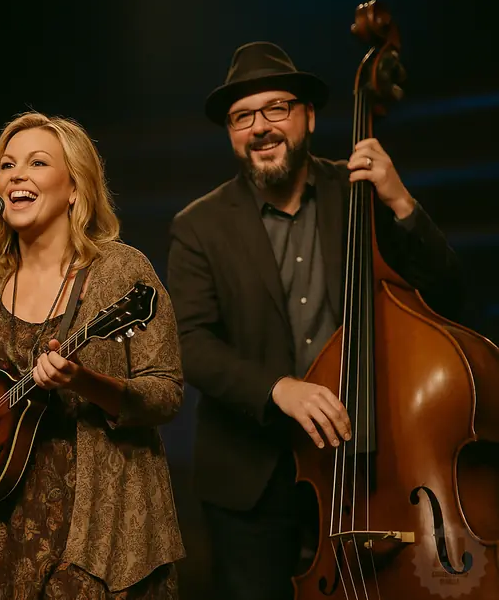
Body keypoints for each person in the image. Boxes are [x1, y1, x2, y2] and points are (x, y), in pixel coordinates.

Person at [166, 41, 464, 600]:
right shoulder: (197, 226)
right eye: (242, 117)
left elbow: (449, 295)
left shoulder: (361, 192)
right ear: (231, 133)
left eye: (276, 108)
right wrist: (278, 388)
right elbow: (189, 343)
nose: (260, 126)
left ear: (307, 115)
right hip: (253, 484)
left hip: (372, 465)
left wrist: (399, 200)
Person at [0, 111, 185, 599]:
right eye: (6, 165)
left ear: (76, 188)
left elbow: (165, 394)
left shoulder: (122, 273)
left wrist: (85, 382)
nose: (16, 175)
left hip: (96, 534)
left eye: (37, 163)